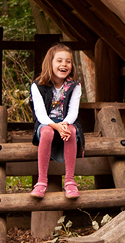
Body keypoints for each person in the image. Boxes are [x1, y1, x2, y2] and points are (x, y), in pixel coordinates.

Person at [29, 43, 84, 198]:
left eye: (68, 61)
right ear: (50, 63)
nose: (64, 64)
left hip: (67, 121)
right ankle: (41, 182)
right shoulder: (37, 85)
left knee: (72, 131)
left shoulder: (74, 86)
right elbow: (40, 114)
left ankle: (70, 181)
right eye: (59, 61)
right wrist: (56, 127)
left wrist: (64, 125)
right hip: (46, 123)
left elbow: (73, 111)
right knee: (46, 132)